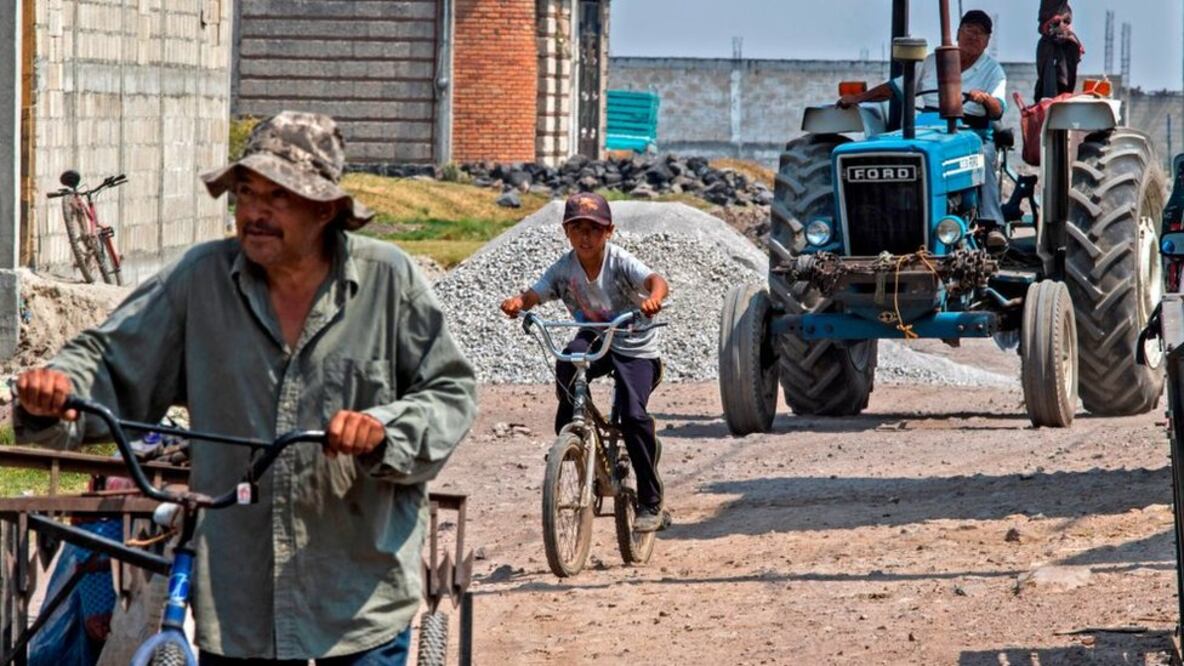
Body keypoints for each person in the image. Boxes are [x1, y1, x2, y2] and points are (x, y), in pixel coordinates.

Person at [14, 111, 478, 664]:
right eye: (246, 192)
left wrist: (385, 430)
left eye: (278, 196)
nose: (255, 211)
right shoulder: (200, 279)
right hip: (239, 603)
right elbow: (111, 356)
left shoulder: (388, 280)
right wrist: (57, 389)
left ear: (325, 209)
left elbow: (450, 391)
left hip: (358, 594)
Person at [499, 192, 670, 532]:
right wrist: (519, 302)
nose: (585, 237)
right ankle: (571, 435)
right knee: (567, 361)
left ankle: (650, 502)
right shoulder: (564, 268)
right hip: (595, 336)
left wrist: (654, 298)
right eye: (577, 228)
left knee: (633, 417)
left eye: (594, 229)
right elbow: (537, 292)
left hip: (633, 343)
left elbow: (656, 281)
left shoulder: (619, 261)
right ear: (566, 232)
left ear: (609, 231)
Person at [837, 10, 1007, 232]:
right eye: (969, 29)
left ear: (987, 41)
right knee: (892, 148)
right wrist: (858, 98)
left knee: (982, 156)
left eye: (980, 32)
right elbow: (895, 88)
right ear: (958, 33)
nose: (973, 36)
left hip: (972, 128)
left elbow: (998, 109)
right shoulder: (932, 62)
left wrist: (985, 99)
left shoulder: (993, 71)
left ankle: (991, 224)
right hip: (927, 125)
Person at [1036, 1, 1084, 102]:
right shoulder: (1047, 46)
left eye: (1066, 22)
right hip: (1051, 101)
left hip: (1062, 99)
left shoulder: (1069, 45)